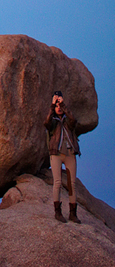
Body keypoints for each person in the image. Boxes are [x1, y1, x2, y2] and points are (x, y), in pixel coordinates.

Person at [44, 90, 81, 223]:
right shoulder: (52, 121)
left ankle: (73, 214)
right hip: (56, 154)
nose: (59, 108)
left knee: (72, 184)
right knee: (57, 183)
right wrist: (52, 105)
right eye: (57, 106)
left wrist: (63, 104)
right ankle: (58, 212)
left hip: (70, 153)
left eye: (60, 105)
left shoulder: (67, 121)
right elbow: (46, 123)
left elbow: (73, 120)